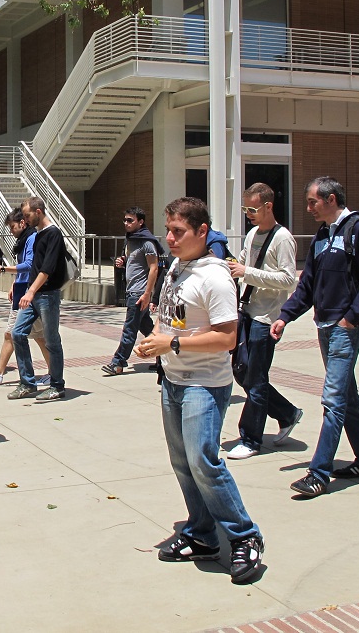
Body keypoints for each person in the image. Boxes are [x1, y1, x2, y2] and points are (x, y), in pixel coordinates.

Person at [134, 197, 263, 584]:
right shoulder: (178, 267)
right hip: (173, 380)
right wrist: (157, 339)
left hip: (204, 384)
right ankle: (203, 534)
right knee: (183, 462)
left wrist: (171, 346)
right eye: (168, 230)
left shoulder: (216, 277)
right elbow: (171, 321)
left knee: (205, 460)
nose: (170, 239)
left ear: (202, 232)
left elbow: (227, 338)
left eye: (178, 232)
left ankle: (244, 536)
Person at [272, 177, 359, 498]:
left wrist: (353, 317)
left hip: (346, 329)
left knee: (334, 398)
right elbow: (307, 284)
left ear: (331, 199)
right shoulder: (322, 235)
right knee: (346, 396)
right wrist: (285, 316)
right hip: (324, 326)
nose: (308, 208)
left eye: (312, 202)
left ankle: (318, 473)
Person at [227, 184, 301, 460]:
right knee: (242, 372)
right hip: (247, 311)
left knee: (255, 378)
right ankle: (287, 412)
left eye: (253, 209)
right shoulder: (251, 234)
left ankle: (251, 438)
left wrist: (248, 272)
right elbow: (243, 265)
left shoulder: (283, 238)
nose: (249, 214)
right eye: (245, 209)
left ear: (268, 206)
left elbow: (288, 279)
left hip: (266, 316)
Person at [0, 208, 51, 386]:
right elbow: (23, 266)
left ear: (22, 223)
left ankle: (0, 371)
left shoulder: (32, 238)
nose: (11, 231)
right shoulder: (25, 239)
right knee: (21, 334)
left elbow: (30, 265)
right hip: (22, 292)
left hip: (27, 295)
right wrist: (15, 283)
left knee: (19, 334)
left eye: (12, 226)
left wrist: (2, 269)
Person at [11, 196, 68, 401]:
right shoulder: (37, 234)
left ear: (38, 212)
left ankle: (57, 385)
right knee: (17, 333)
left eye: (27, 216)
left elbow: (47, 269)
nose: (24, 220)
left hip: (47, 295)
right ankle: (27, 383)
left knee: (52, 340)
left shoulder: (53, 234)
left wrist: (31, 292)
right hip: (33, 294)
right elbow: (34, 267)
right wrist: (21, 287)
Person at [102, 207, 161, 376]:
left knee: (129, 329)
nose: (126, 223)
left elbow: (154, 268)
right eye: (125, 220)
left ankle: (118, 362)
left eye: (130, 220)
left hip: (139, 293)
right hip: (132, 291)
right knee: (148, 328)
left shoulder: (147, 242)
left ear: (140, 222)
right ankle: (163, 358)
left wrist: (147, 294)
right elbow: (135, 261)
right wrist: (123, 261)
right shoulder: (130, 240)